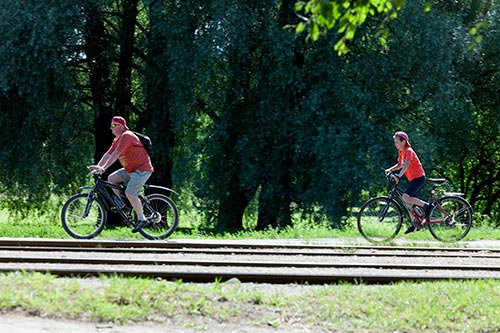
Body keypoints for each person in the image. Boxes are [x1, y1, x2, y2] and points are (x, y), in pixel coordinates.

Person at [88, 116, 154, 233]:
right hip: (130, 170)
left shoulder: (127, 136)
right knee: (112, 178)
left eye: (113, 125)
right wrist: (98, 166)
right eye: (111, 125)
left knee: (130, 192)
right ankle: (124, 204)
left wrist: (104, 168)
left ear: (121, 126)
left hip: (141, 170)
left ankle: (142, 218)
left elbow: (116, 153)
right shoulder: (117, 140)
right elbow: (108, 154)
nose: (111, 128)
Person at [384, 131, 433, 234]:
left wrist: (399, 175)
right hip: (413, 179)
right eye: (395, 142)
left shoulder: (409, 151)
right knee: (407, 203)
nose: (395, 144)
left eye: (397, 141)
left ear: (403, 142)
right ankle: (415, 224)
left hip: (419, 178)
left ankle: (427, 206)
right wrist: (389, 170)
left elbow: (406, 164)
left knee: (406, 197)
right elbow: (400, 164)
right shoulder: (401, 152)